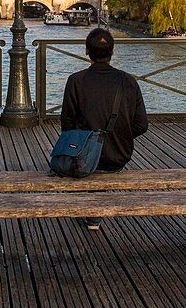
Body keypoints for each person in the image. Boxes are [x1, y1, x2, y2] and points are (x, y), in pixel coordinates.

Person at [60, 27, 149, 230]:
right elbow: (142, 125)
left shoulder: (76, 81)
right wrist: (122, 134)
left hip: (83, 155)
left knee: (86, 159)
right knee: (102, 163)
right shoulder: (129, 81)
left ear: (86, 52)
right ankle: (94, 211)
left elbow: (67, 124)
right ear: (113, 52)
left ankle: (92, 212)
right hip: (117, 156)